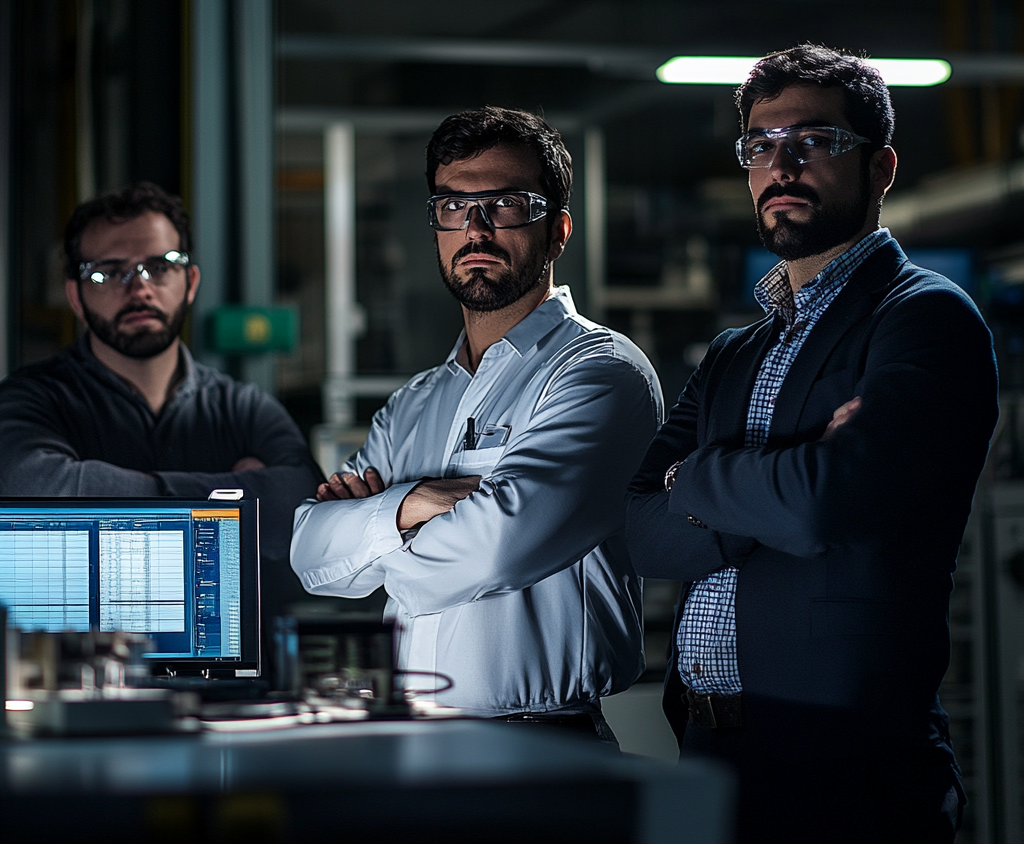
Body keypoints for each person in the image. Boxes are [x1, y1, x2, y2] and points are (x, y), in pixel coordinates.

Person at [624, 45, 998, 842]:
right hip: (705, 748)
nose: (781, 164)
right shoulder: (733, 353)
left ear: (882, 167)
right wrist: (771, 484)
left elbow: (828, 503)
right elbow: (634, 529)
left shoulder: (924, 318)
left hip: (846, 766)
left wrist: (691, 478)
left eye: (814, 141)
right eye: (760, 145)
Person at [290, 106, 663, 736]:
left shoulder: (598, 372)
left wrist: (373, 540)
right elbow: (308, 553)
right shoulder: (414, 403)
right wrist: (414, 505)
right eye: (454, 207)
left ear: (558, 230)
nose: (477, 229)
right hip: (411, 738)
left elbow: (494, 551)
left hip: (545, 742)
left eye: (507, 204)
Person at [0, 181, 324, 639]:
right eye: (108, 272)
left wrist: (104, 496)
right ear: (75, 297)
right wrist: (236, 495)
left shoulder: (244, 406)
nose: (140, 288)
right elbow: (36, 491)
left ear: (189, 282)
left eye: (159, 266)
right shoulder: (29, 400)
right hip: (83, 682)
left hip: (234, 687)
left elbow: (300, 510)